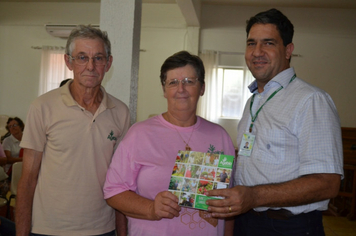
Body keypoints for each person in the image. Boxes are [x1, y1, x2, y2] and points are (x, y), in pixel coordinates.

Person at [205, 8, 343, 236]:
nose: (257, 52)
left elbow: (327, 182)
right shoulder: (254, 101)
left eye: (268, 43)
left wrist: (254, 196)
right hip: (246, 221)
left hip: (288, 227)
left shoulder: (311, 100)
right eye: (251, 43)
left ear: (288, 50)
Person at [103, 51, 235, 236]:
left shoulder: (220, 137)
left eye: (189, 81)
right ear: (164, 90)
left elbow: (228, 202)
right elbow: (113, 191)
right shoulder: (140, 134)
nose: (181, 89)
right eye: (173, 82)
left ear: (202, 87)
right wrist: (151, 208)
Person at [16, 25, 130, 236]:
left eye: (98, 58)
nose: (90, 66)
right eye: (82, 57)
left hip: (103, 229)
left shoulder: (121, 112)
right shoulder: (42, 107)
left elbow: (121, 181)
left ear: (108, 63)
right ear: (69, 62)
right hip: (48, 229)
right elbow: (28, 179)